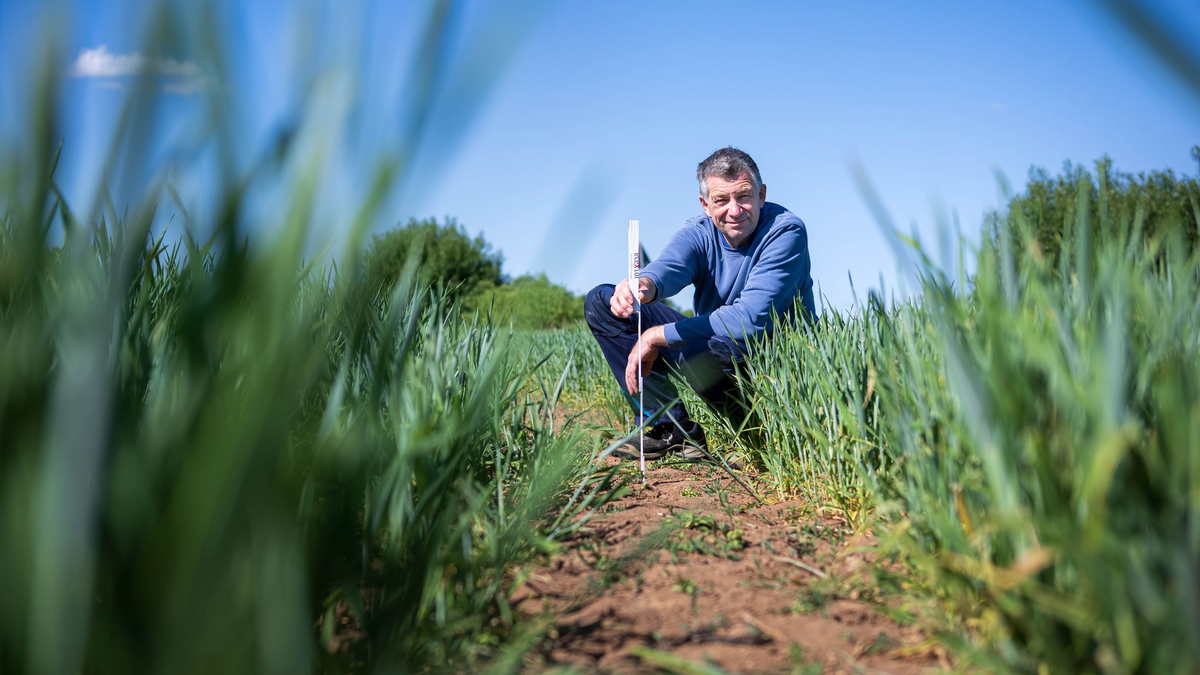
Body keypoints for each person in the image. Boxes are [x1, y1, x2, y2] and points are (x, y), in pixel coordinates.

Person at [584, 147, 816, 460]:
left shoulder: (785, 232)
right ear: (705, 205)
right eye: (721, 200)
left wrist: (656, 336)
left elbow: (750, 319)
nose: (735, 210)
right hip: (713, 349)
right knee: (602, 302)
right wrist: (642, 286)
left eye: (744, 196)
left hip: (771, 366)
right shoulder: (699, 232)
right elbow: (671, 266)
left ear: (761, 195)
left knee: (700, 347)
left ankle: (757, 436)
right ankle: (670, 429)